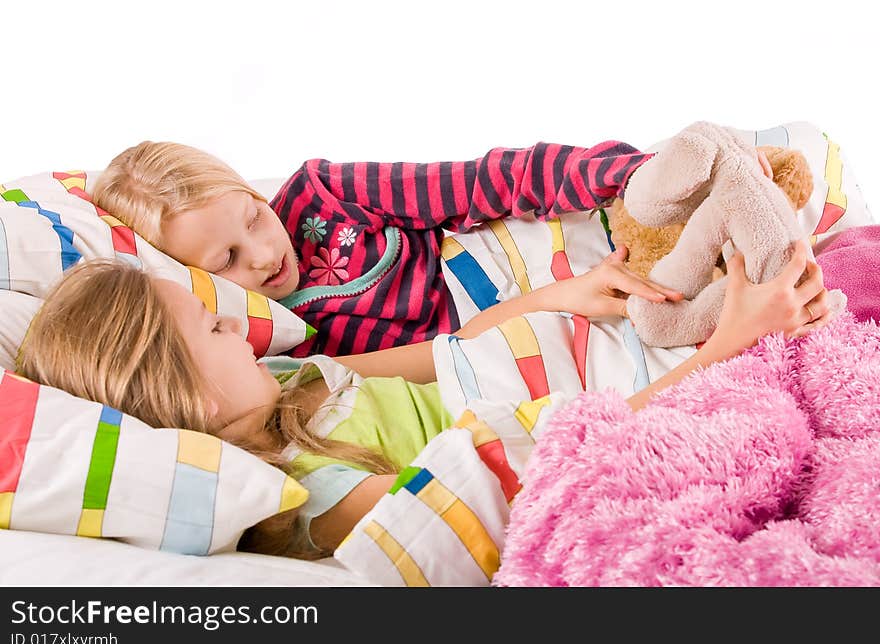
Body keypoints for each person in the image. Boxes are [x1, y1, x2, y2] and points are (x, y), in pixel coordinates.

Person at [15, 241, 830, 560]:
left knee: (824, 256)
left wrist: (560, 294)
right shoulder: (311, 492)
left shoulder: (298, 387)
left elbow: (448, 352)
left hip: (594, 362)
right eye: (208, 321)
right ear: (173, 385)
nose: (236, 315)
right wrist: (726, 350)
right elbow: (542, 480)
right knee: (828, 303)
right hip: (625, 415)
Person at [93, 137, 771, 358]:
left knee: (663, 203)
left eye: (254, 217)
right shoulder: (267, 345)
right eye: (227, 264)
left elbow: (484, 183)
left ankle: (708, 187)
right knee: (670, 313)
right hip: (516, 336)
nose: (263, 255)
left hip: (518, 253)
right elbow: (435, 367)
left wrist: (622, 174)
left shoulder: (324, 193)